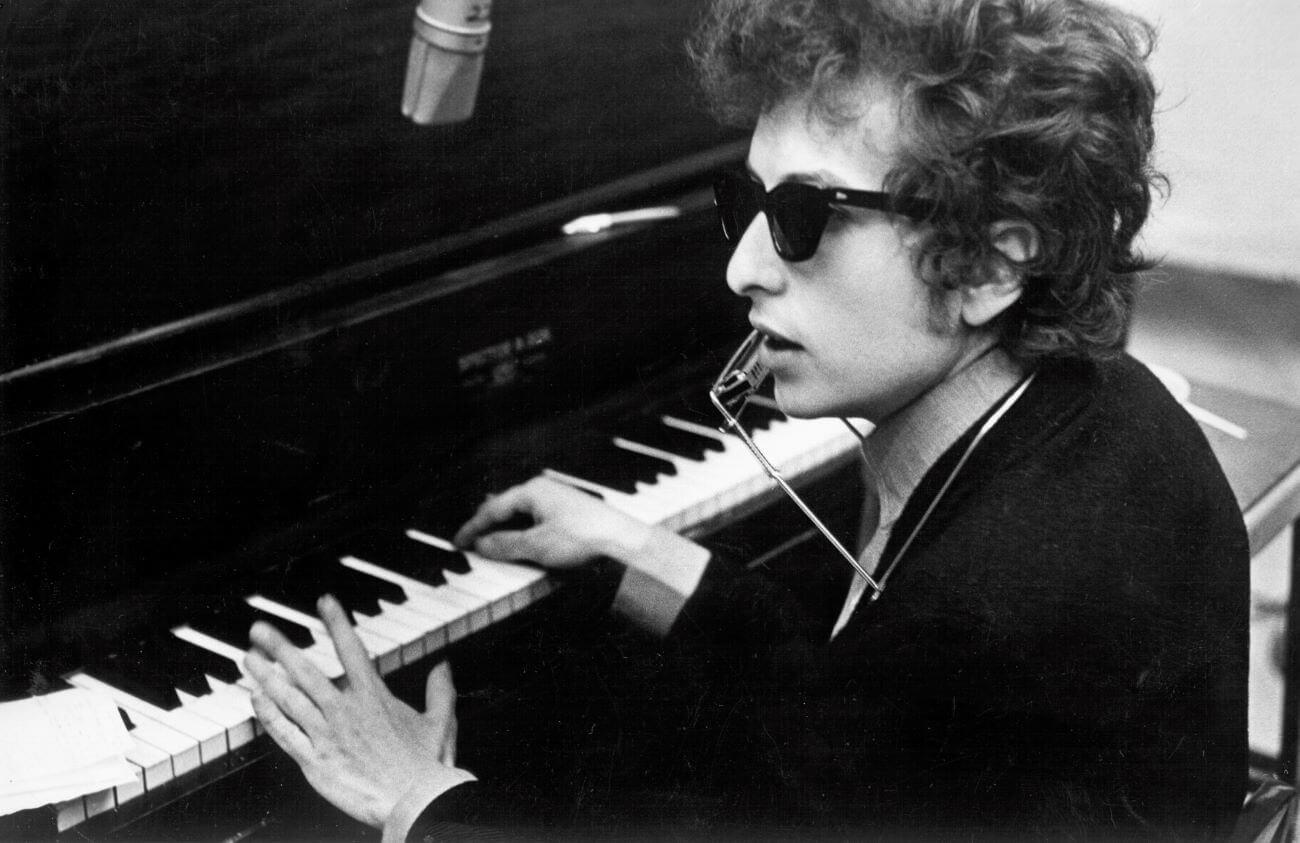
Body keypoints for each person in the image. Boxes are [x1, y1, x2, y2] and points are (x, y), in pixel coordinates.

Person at [243, 0, 1250, 839]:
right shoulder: (1089, 411)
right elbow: (850, 710)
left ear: (990, 263)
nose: (742, 269)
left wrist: (418, 799)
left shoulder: (995, 602)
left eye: (807, 219)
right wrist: (635, 550)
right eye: (746, 202)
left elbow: (882, 713)